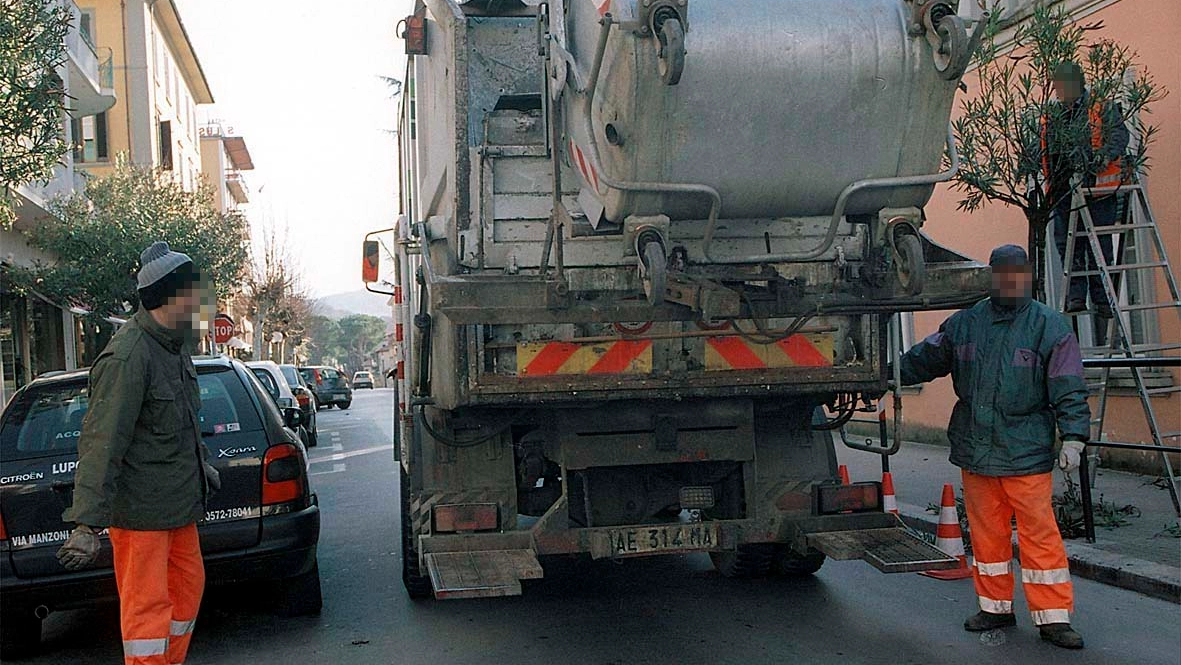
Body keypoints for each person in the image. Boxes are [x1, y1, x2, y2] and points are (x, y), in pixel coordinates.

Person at [895, 244, 1090, 650]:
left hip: (1025, 452)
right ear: (992, 278)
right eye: (1003, 275)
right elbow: (926, 358)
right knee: (987, 536)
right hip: (978, 449)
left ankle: (1053, 617)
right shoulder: (966, 323)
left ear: (1028, 276)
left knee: (1039, 535)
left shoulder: (1049, 327)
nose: (1011, 282)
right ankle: (995, 606)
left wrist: (1074, 436)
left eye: (1018, 274)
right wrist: (886, 373)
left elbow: (1068, 385)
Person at [57, 242, 219, 665]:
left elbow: (179, 424)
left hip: (178, 507)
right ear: (173, 296)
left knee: (187, 591)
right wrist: (86, 523)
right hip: (142, 516)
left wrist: (203, 470)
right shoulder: (129, 356)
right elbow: (101, 443)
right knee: (147, 612)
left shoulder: (173, 346)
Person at [1044, 60, 1130, 319]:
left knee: (1099, 247)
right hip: (1063, 191)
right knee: (1069, 245)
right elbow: (1045, 147)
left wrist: (1102, 157)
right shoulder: (1053, 114)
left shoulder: (1100, 109)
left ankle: (1103, 301)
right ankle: (1076, 296)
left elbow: (1119, 137)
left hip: (1095, 190)